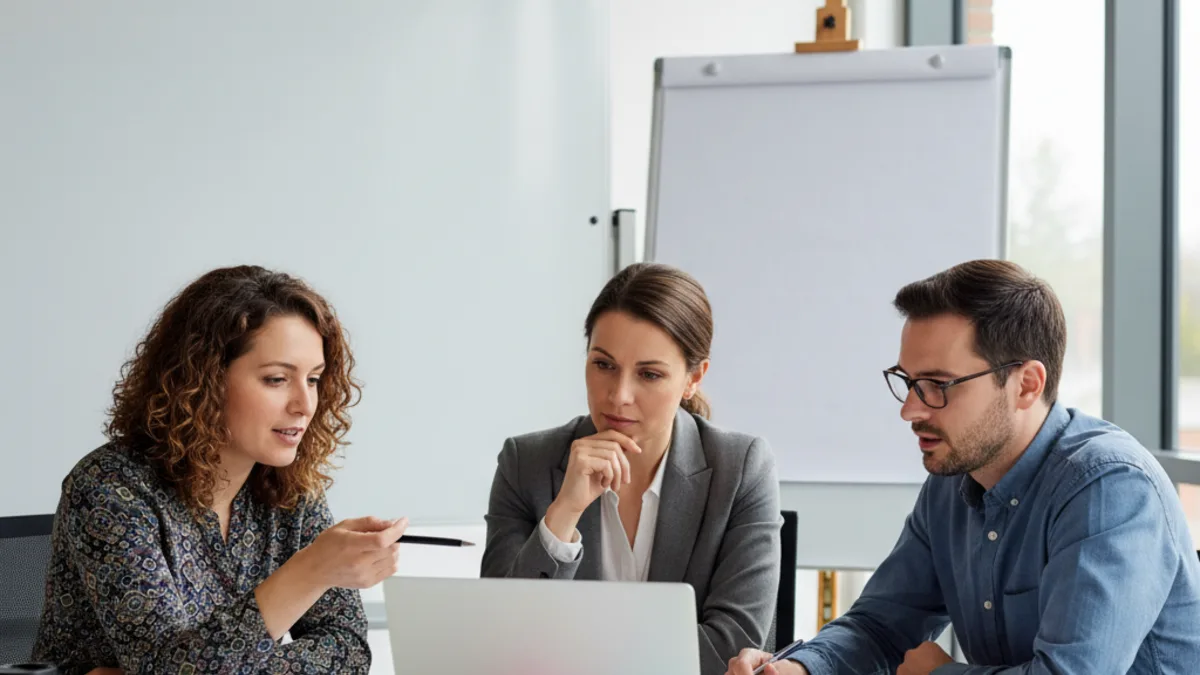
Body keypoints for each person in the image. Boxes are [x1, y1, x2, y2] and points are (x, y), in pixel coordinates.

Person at [728, 259, 1200, 675]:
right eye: (908, 382)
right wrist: (799, 668)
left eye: (937, 384)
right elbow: (880, 626)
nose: (910, 410)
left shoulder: (1109, 487)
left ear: (1026, 385)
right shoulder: (953, 480)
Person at [33, 265, 407, 675]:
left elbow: (348, 651)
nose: (305, 404)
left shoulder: (291, 489)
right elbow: (168, 669)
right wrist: (311, 571)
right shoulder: (109, 488)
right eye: (277, 379)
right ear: (203, 380)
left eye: (314, 379)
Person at [480, 262, 782, 675]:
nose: (619, 396)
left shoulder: (742, 468)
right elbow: (498, 640)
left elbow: (729, 651)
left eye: (649, 374)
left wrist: (571, 647)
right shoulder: (525, 462)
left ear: (694, 377)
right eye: (603, 364)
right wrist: (563, 515)